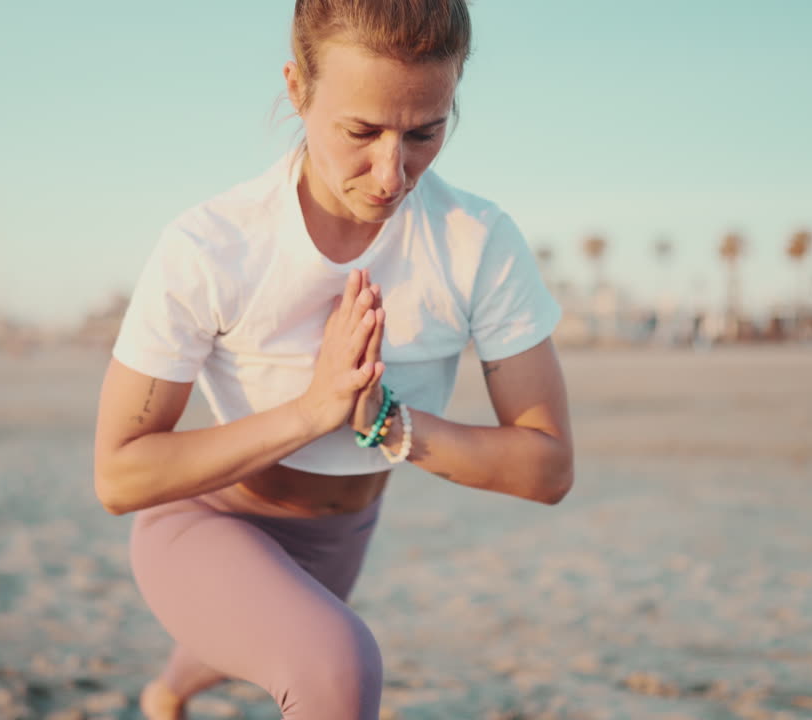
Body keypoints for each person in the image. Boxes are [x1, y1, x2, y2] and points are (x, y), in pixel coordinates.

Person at [93, 1, 574, 718]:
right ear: (297, 89)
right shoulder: (212, 247)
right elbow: (120, 475)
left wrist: (388, 424)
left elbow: (547, 467)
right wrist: (312, 411)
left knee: (256, 640)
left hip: (341, 537)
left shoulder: (476, 241)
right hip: (205, 522)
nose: (391, 173)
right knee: (335, 664)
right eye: (361, 131)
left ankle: (167, 694)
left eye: (424, 132)